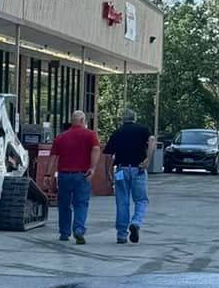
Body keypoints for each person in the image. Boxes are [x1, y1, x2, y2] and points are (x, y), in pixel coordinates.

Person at [104, 105, 154, 245]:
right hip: (138, 169)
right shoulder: (143, 130)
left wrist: (108, 170)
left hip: (121, 170)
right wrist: (147, 159)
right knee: (141, 200)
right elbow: (152, 141)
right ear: (135, 118)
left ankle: (121, 235)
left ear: (122, 120)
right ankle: (136, 222)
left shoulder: (117, 132)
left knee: (122, 202)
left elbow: (109, 154)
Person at [50, 107, 99, 245]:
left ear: (72, 121)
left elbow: (53, 158)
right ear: (83, 120)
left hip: (64, 175)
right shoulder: (90, 135)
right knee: (81, 204)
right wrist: (93, 168)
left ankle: (64, 233)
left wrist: (48, 175)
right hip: (82, 175)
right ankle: (78, 229)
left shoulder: (61, 137)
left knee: (64, 204)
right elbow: (96, 149)